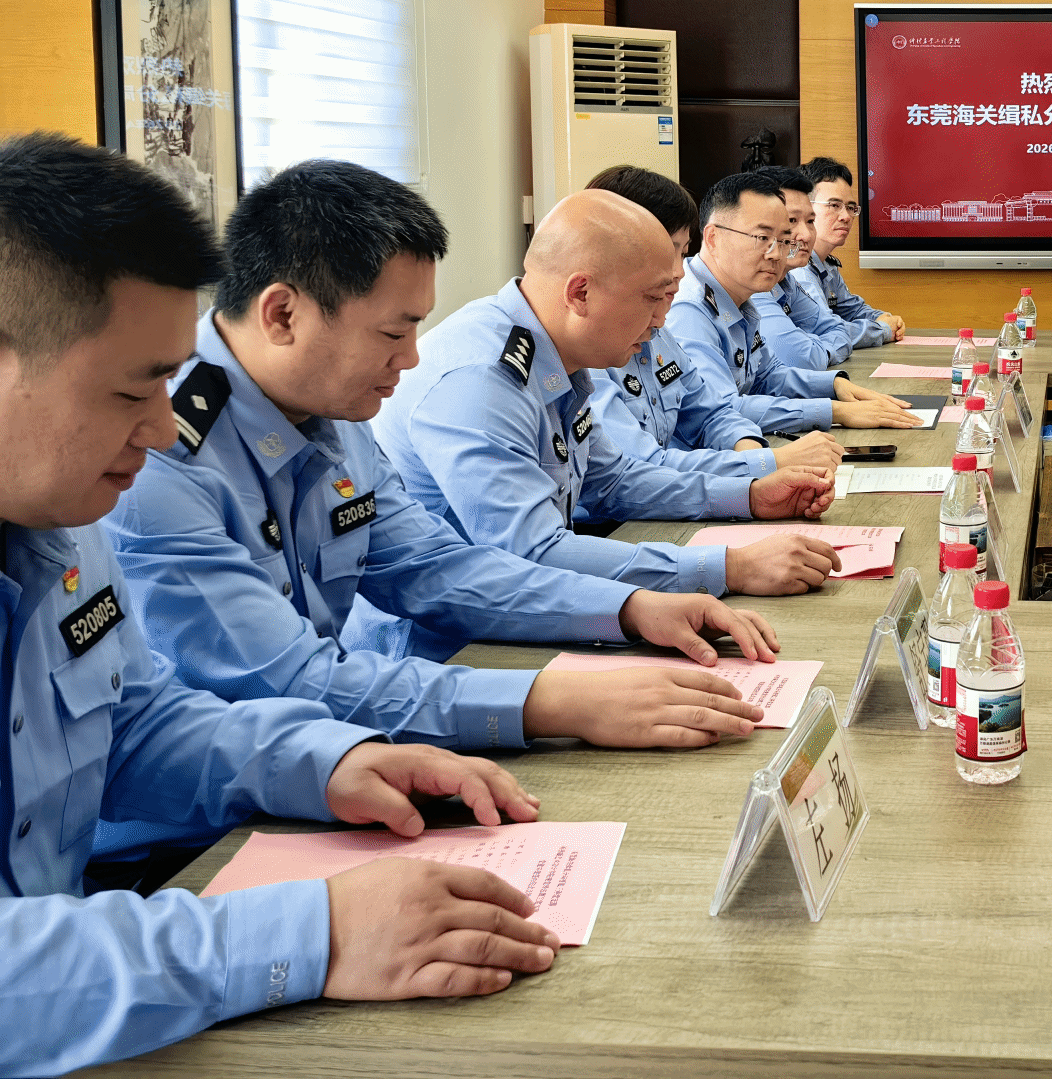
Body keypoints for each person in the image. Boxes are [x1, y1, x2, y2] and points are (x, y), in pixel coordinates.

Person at [0, 133, 558, 1072]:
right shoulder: (111, 484)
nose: (160, 427)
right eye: (134, 390)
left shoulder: (57, 516)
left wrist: (330, 762)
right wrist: (313, 934)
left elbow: (134, 726)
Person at [105, 161, 785, 816]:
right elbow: (286, 681)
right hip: (206, 828)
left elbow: (433, 567)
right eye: (394, 332)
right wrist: (550, 701)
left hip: (340, 755)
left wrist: (630, 608)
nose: (410, 359)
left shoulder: (325, 407)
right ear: (282, 315)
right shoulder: (159, 455)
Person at [375, 188, 843, 597]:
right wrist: (728, 567)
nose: (661, 319)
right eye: (653, 298)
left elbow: (615, 480)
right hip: (452, 649)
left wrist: (751, 495)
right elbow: (533, 553)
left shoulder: (560, 352)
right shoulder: (481, 381)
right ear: (580, 293)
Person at [582, 165, 840, 479]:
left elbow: (712, 413)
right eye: (763, 238)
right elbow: (639, 469)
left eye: (682, 252)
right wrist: (768, 463)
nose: (678, 271)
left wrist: (757, 459)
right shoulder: (678, 312)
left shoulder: (658, 327)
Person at [667, 172, 923, 434]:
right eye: (762, 238)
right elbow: (721, 409)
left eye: (782, 241)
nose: (776, 254)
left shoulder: (741, 296)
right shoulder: (689, 308)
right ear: (713, 238)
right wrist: (834, 411)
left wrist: (834, 385)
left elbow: (768, 376)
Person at [749, 164, 862, 369]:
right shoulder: (754, 284)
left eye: (810, 221)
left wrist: (811, 345)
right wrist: (813, 346)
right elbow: (800, 358)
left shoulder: (786, 281)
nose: (807, 235)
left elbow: (839, 332)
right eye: (791, 220)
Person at [798, 155, 903, 346]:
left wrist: (884, 318)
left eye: (850, 207)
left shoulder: (826, 264)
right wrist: (883, 329)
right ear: (804, 207)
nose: (846, 216)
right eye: (834, 205)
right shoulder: (798, 268)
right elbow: (826, 330)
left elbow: (852, 310)